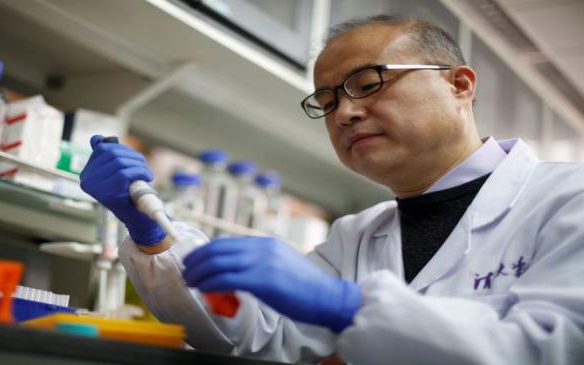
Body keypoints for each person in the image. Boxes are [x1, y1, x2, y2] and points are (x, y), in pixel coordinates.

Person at [79, 15, 584, 365]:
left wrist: (350, 308)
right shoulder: (357, 236)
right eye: (326, 100)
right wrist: (150, 229)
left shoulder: (568, 200)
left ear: (460, 85)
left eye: (368, 83)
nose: (344, 112)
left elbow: (554, 350)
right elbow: (257, 335)